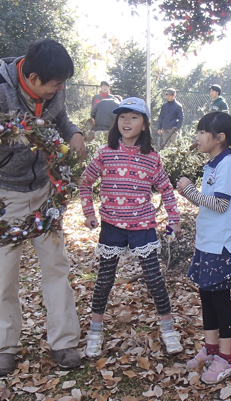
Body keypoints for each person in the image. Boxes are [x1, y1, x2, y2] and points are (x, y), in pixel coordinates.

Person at [0, 38, 87, 376]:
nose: (60, 89)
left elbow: (61, 120)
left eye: (62, 83)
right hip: (2, 196)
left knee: (57, 269)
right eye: (55, 84)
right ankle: (5, 346)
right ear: (31, 77)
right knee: (2, 278)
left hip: (46, 191)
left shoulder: (54, 90)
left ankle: (64, 342)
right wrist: (10, 129)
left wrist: (72, 134)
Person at [80, 97, 183, 358]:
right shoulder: (104, 153)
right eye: (122, 116)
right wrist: (89, 213)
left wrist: (174, 220)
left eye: (134, 116)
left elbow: (167, 190)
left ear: (146, 125)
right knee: (104, 280)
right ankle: (95, 331)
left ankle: (169, 330)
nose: (127, 121)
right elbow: (85, 182)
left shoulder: (152, 158)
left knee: (154, 278)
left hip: (142, 226)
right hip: (111, 226)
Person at [176, 112, 231, 384]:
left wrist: (189, 191)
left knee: (220, 300)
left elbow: (220, 204)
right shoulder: (214, 165)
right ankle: (212, 348)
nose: (197, 136)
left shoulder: (228, 165)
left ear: (220, 138)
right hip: (208, 243)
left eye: (203, 132)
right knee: (207, 297)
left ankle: (227, 358)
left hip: (223, 246)